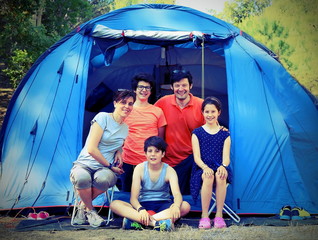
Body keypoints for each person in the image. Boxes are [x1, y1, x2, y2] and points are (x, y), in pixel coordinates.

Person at [70, 90, 136, 227]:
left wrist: (119, 150)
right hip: (85, 163)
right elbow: (92, 149)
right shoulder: (103, 117)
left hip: (103, 168)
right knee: (82, 177)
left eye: (130, 103)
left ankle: (82, 207)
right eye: (123, 102)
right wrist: (111, 166)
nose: (127, 106)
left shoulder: (125, 128)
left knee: (104, 179)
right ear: (115, 103)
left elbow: (116, 141)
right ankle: (91, 211)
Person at [110, 136, 191, 231]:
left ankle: (137, 222)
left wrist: (176, 206)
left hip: (163, 205)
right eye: (150, 151)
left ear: (163, 154)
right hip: (143, 205)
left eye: (157, 151)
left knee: (185, 206)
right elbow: (133, 198)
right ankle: (157, 223)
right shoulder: (139, 169)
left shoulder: (169, 170)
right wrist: (140, 209)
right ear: (145, 153)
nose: (153, 154)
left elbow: (177, 194)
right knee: (114, 204)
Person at [154, 70, 205, 195]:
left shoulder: (201, 104)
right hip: (167, 159)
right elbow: (148, 118)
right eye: (177, 85)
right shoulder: (163, 102)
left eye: (184, 85)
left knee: (183, 195)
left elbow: (211, 129)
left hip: (191, 159)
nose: (180, 89)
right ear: (171, 87)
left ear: (190, 86)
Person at [190, 97, 232, 229]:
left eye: (213, 111)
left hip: (220, 166)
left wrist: (223, 166)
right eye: (207, 111)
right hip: (202, 168)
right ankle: (204, 216)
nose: (210, 115)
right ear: (202, 112)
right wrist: (204, 167)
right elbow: (196, 157)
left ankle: (219, 215)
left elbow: (226, 157)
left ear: (219, 112)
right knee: (208, 176)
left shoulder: (225, 134)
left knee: (220, 175)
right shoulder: (197, 133)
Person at [121, 73, 167, 192]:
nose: (144, 90)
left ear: (151, 91)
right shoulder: (126, 110)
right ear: (134, 90)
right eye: (141, 87)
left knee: (149, 196)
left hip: (150, 162)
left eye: (147, 87)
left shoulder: (157, 111)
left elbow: (160, 139)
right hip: (127, 161)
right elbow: (117, 136)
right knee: (127, 196)